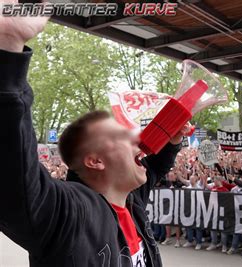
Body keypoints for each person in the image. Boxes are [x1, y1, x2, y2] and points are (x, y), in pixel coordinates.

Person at [0, 9, 189, 266]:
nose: (137, 136)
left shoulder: (130, 201)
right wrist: (8, 48)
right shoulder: (69, 216)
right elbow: (15, 180)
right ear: (95, 161)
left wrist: (174, 138)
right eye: (123, 134)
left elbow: (156, 166)